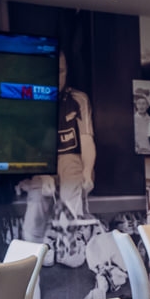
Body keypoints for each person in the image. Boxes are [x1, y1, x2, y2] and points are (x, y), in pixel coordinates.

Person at [20, 50, 95, 245]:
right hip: (39, 160)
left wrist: (87, 171)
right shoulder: (29, 98)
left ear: (66, 72)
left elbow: (87, 141)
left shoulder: (79, 99)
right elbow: (27, 144)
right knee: (37, 203)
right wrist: (43, 174)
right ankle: (33, 249)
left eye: (60, 71)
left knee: (73, 181)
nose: (56, 76)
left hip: (70, 160)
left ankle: (70, 244)